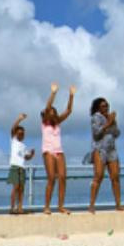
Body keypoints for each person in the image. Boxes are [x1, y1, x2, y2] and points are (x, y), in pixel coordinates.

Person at [39, 82, 76, 215]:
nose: (53, 114)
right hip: (48, 151)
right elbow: (48, 107)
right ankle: (46, 207)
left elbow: (69, 111)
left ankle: (61, 206)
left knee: (62, 178)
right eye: (51, 113)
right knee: (51, 178)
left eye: (55, 113)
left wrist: (71, 95)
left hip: (59, 151)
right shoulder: (44, 123)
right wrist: (53, 93)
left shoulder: (57, 122)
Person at [87, 97, 124, 214]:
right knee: (98, 176)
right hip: (100, 149)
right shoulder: (96, 117)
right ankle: (91, 205)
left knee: (115, 177)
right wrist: (108, 124)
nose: (106, 108)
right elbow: (96, 133)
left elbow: (117, 133)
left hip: (111, 150)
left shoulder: (110, 118)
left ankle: (118, 204)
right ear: (98, 107)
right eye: (104, 106)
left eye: (107, 105)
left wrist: (113, 123)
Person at [7, 113, 35, 215]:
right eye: (19, 133)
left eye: (22, 134)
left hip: (22, 167)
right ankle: (12, 207)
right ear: (16, 134)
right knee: (16, 187)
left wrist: (31, 154)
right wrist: (19, 119)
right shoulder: (14, 141)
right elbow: (12, 128)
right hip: (15, 166)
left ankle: (20, 207)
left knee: (21, 188)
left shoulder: (23, 146)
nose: (21, 135)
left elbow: (26, 157)